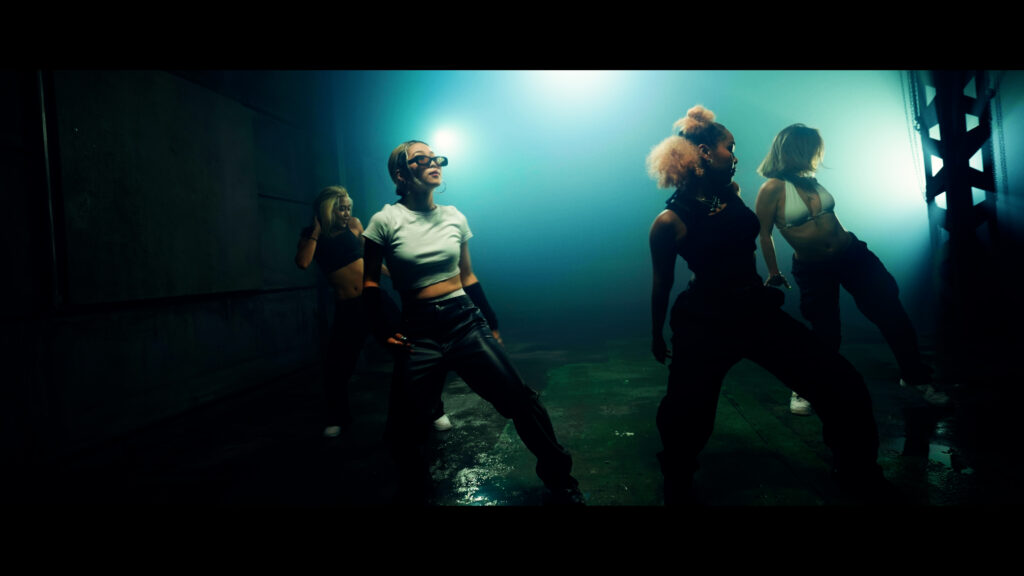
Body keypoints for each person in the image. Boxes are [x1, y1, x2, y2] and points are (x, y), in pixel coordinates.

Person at [647, 105, 897, 505]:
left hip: (754, 310)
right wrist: (657, 334)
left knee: (842, 382)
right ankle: (677, 480)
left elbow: (742, 243)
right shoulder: (669, 222)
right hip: (707, 321)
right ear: (705, 153)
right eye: (730, 148)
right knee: (686, 413)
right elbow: (662, 283)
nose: (736, 156)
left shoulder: (729, 194)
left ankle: (858, 472)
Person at [361, 140, 584, 505]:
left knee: (521, 401)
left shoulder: (454, 216)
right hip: (418, 330)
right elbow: (370, 282)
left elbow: (467, 276)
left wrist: (490, 322)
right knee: (402, 429)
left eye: (436, 157)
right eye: (422, 158)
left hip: (464, 321)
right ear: (401, 174)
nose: (434, 162)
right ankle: (416, 492)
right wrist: (382, 331)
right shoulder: (384, 221)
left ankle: (561, 480)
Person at [754, 124, 949, 415]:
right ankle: (806, 386)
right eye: (810, 149)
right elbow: (763, 233)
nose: (815, 155)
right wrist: (773, 270)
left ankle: (916, 377)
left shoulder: (811, 182)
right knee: (826, 333)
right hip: (813, 269)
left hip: (851, 254)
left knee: (891, 313)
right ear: (794, 149)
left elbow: (828, 218)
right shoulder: (772, 188)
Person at [295, 186, 450, 438]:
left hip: (374, 301)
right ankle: (337, 418)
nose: (347, 213)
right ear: (327, 209)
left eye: (348, 208)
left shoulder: (355, 225)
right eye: (341, 209)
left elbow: (370, 259)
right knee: (336, 367)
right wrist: (315, 231)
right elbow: (302, 263)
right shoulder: (312, 235)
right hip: (347, 310)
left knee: (410, 352)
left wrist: (395, 275)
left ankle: (435, 411)